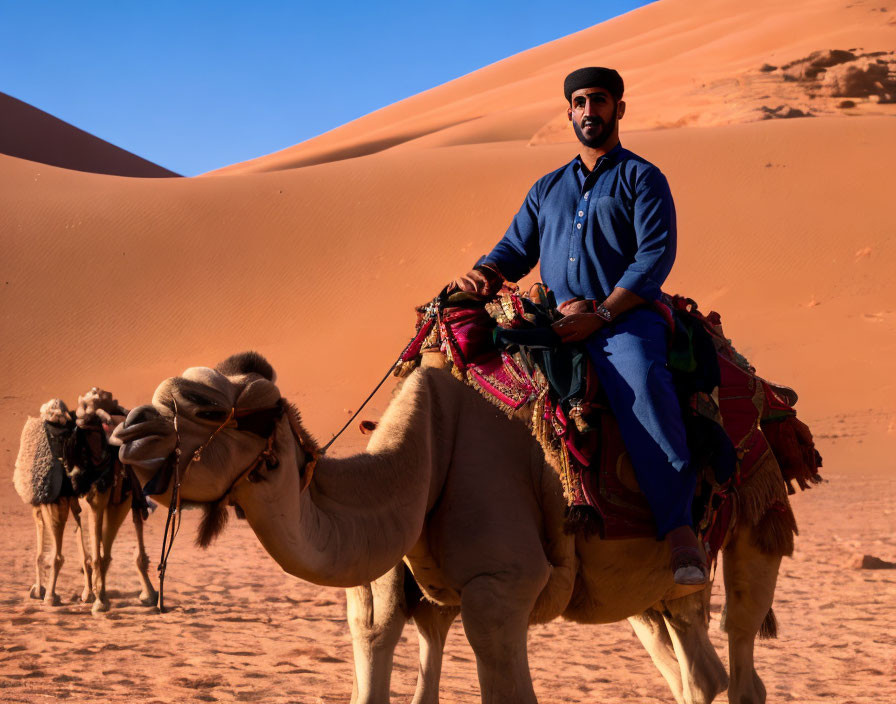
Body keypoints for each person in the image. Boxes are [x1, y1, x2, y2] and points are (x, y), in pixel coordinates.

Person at [450, 67, 706, 585]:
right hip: (554, 313)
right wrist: (482, 274)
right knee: (474, 362)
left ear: (619, 109)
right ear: (569, 111)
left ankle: (680, 532)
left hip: (623, 320)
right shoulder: (547, 188)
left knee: (643, 390)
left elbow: (655, 256)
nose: (590, 111)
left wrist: (604, 312)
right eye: (581, 102)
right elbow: (515, 250)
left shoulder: (642, 177)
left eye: (601, 101)